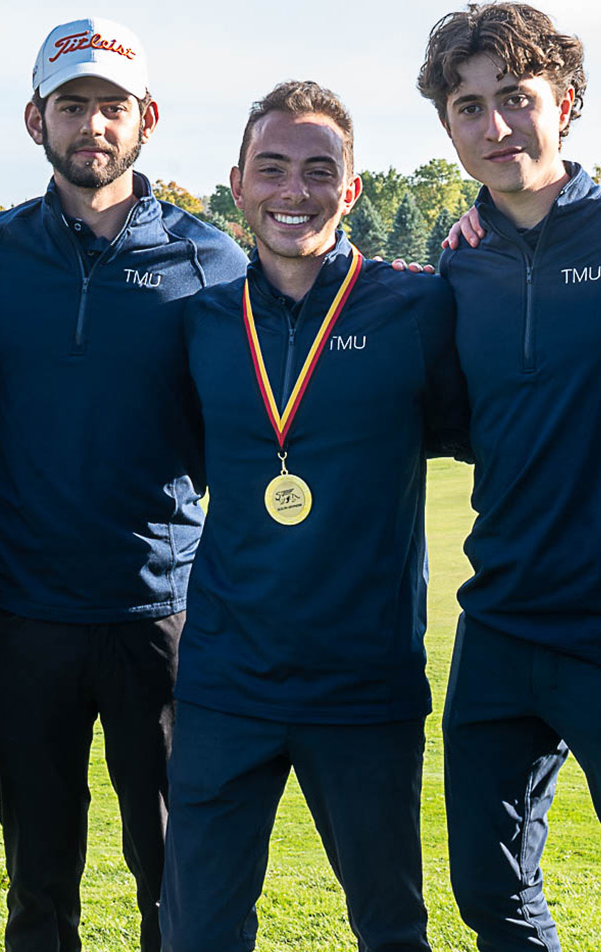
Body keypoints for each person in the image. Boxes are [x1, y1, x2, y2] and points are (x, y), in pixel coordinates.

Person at [415, 2, 601, 952]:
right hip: (499, 621)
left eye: (516, 97)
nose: (495, 126)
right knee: (489, 896)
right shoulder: (456, 269)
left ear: (567, 101)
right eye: (469, 108)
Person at [0, 17, 246, 952]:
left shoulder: (211, 261)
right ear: (35, 118)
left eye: (112, 106)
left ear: (146, 118)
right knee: (38, 876)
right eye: (72, 104)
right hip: (26, 610)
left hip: (158, 609)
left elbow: (234, 420)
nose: (93, 125)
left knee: (172, 870)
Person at [161, 80, 469, 952]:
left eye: (318, 170)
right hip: (226, 679)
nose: (293, 190)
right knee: (198, 933)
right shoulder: (201, 322)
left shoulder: (417, 307)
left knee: (390, 928)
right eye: (271, 168)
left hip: (363, 680)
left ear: (352, 188)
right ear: (237, 184)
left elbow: (473, 428)